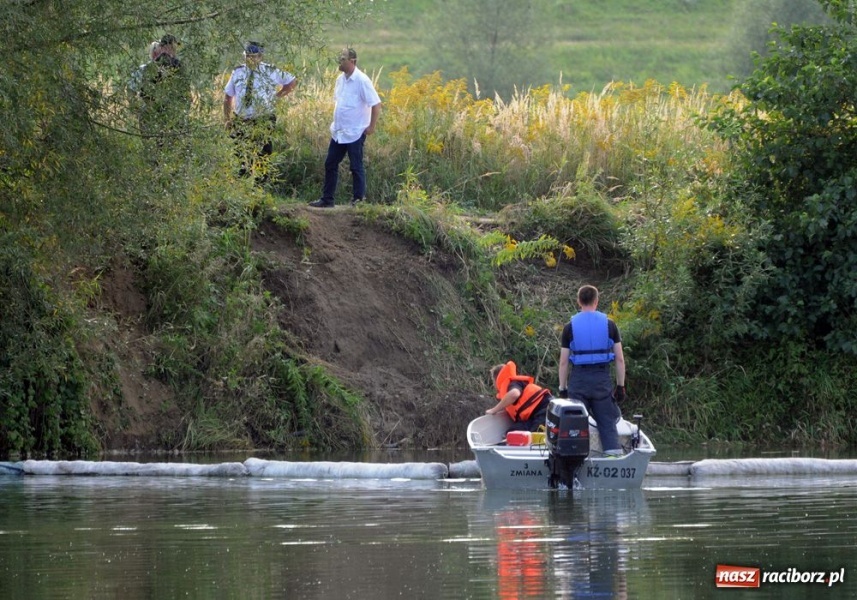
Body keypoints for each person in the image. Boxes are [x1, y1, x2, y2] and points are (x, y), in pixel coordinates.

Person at [558, 284, 626, 457]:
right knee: (607, 423)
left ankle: (574, 460)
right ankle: (613, 458)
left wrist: (562, 388)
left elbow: (564, 362)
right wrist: (620, 386)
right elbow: (619, 358)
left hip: (578, 381)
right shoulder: (610, 325)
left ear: (578, 301)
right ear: (596, 301)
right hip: (601, 381)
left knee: (574, 425)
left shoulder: (569, 327)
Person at [309, 47, 382, 208]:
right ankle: (327, 200)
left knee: (356, 167)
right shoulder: (340, 80)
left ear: (352, 61)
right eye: (340, 58)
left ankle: (358, 202)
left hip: (355, 131)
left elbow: (376, 104)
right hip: (339, 131)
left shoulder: (362, 80)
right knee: (330, 164)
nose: (339, 61)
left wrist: (371, 126)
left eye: (343, 59)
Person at [223, 41, 297, 179]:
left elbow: (292, 81)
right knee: (241, 153)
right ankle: (243, 187)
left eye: (254, 56)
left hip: (263, 117)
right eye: (247, 56)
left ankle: (260, 188)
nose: (250, 59)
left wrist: (277, 97)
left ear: (260, 57)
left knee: (262, 154)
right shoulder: (238, 72)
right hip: (242, 118)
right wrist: (227, 119)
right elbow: (228, 96)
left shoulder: (270, 71)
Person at [137, 34, 190, 148]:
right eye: (175, 46)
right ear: (170, 45)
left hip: (153, 118)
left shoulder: (150, 67)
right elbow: (185, 93)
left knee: (155, 148)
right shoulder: (178, 67)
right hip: (174, 117)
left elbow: (145, 95)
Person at [488, 361, 553, 433]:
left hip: (544, 407)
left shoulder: (513, 383)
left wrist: (494, 410)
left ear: (496, 379)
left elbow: (514, 394)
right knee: (511, 432)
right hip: (533, 415)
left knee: (536, 437)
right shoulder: (508, 389)